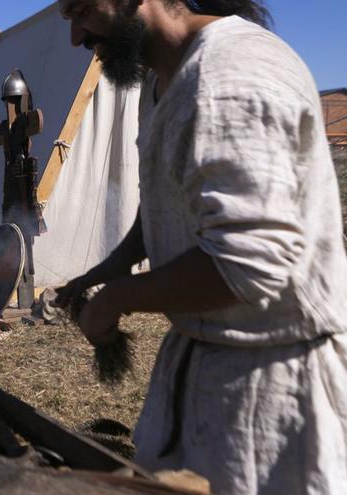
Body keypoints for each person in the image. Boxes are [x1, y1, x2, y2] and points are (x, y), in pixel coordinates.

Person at [55, 0, 347, 493]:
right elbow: (165, 210)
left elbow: (248, 262)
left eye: (83, 11)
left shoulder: (230, 77)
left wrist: (114, 300)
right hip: (204, 373)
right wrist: (105, 271)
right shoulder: (162, 83)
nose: (77, 38)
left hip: (272, 398)